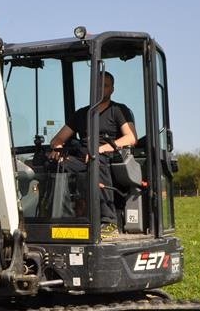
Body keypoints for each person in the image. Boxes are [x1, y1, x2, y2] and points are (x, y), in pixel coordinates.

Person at [48, 71, 137, 239]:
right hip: (83, 156)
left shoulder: (118, 110)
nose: (101, 89)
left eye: (105, 86)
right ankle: (65, 217)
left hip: (108, 155)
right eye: (98, 85)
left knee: (96, 161)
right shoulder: (82, 113)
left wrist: (101, 150)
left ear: (112, 90)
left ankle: (108, 221)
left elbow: (131, 138)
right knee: (58, 164)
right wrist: (58, 147)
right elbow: (58, 138)